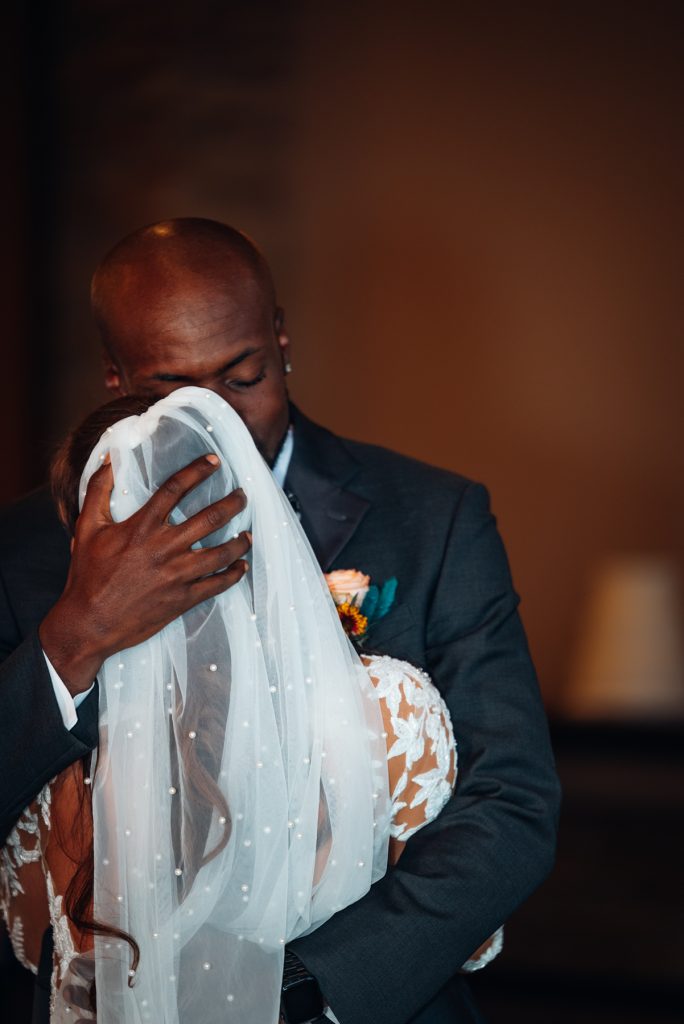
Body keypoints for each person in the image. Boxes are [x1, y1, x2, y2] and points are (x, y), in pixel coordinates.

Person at [0, 218, 561, 1023]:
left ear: (281, 341)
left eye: (243, 377)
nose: (219, 419)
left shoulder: (434, 519)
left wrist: (310, 985)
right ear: (114, 376)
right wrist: (77, 634)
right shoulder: (21, 549)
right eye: (170, 392)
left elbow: (513, 800)